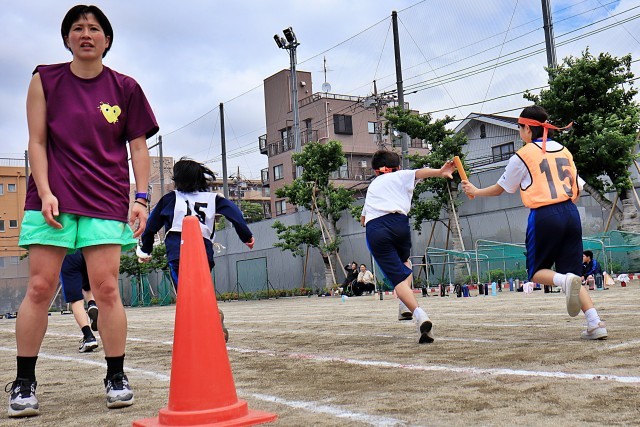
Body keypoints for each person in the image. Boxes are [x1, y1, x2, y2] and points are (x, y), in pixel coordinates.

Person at [9, 5, 158, 418]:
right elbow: (36, 142)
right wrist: (44, 188)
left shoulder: (126, 87)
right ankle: (23, 383)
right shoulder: (45, 79)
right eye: (77, 28)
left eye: (94, 28)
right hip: (51, 199)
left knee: (107, 288)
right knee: (40, 287)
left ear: (107, 40)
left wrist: (141, 198)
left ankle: (116, 376)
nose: (86, 33)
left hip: (105, 201)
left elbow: (139, 148)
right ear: (67, 39)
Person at [461, 105, 607, 341]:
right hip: (571, 212)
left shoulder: (524, 154)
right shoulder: (564, 151)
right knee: (573, 274)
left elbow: (501, 189)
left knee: (537, 272)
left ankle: (563, 280)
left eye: (520, 128)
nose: (520, 132)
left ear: (528, 128)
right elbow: (578, 187)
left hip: (544, 214)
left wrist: (476, 191)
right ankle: (595, 322)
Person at [136, 158, 255, 342]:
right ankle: (210, 320)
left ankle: (205, 324)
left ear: (177, 180)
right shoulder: (213, 198)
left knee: (184, 293)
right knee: (201, 289)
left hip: (178, 250)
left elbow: (151, 225)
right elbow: (235, 214)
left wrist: (146, 249)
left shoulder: (170, 199)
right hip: (203, 250)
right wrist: (246, 236)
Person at [363, 150, 454, 343]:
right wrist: (441, 171)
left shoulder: (373, 186)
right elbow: (421, 172)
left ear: (376, 170)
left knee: (396, 277)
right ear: (397, 166)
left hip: (376, 228)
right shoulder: (401, 175)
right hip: (400, 224)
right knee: (405, 262)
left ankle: (419, 314)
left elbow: (363, 218)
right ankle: (404, 306)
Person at [60, 251, 100, 352]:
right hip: (86, 250)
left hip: (68, 253)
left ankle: (88, 336)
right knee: (87, 287)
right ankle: (92, 304)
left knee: (76, 300)